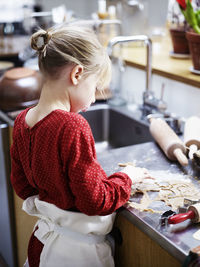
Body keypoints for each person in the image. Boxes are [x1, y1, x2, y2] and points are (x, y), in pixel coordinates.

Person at [10, 23, 153, 267]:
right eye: (95, 88)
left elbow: (23, 187)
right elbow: (94, 201)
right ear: (76, 74)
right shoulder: (72, 126)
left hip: (42, 245)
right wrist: (126, 178)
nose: (92, 99)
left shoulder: (22, 120)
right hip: (76, 255)